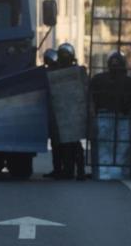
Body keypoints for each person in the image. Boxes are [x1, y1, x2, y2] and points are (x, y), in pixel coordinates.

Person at [55, 43, 86, 180]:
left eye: (66, 55)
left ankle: (79, 171)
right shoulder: (55, 71)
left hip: (74, 110)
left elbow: (84, 88)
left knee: (74, 143)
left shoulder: (77, 71)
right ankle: (66, 170)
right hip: (61, 110)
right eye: (63, 55)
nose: (65, 57)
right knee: (63, 143)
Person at [42, 48, 63, 179]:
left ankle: (61, 169)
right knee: (58, 143)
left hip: (57, 112)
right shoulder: (47, 73)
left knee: (59, 143)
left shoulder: (60, 72)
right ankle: (61, 169)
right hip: (55, 112)